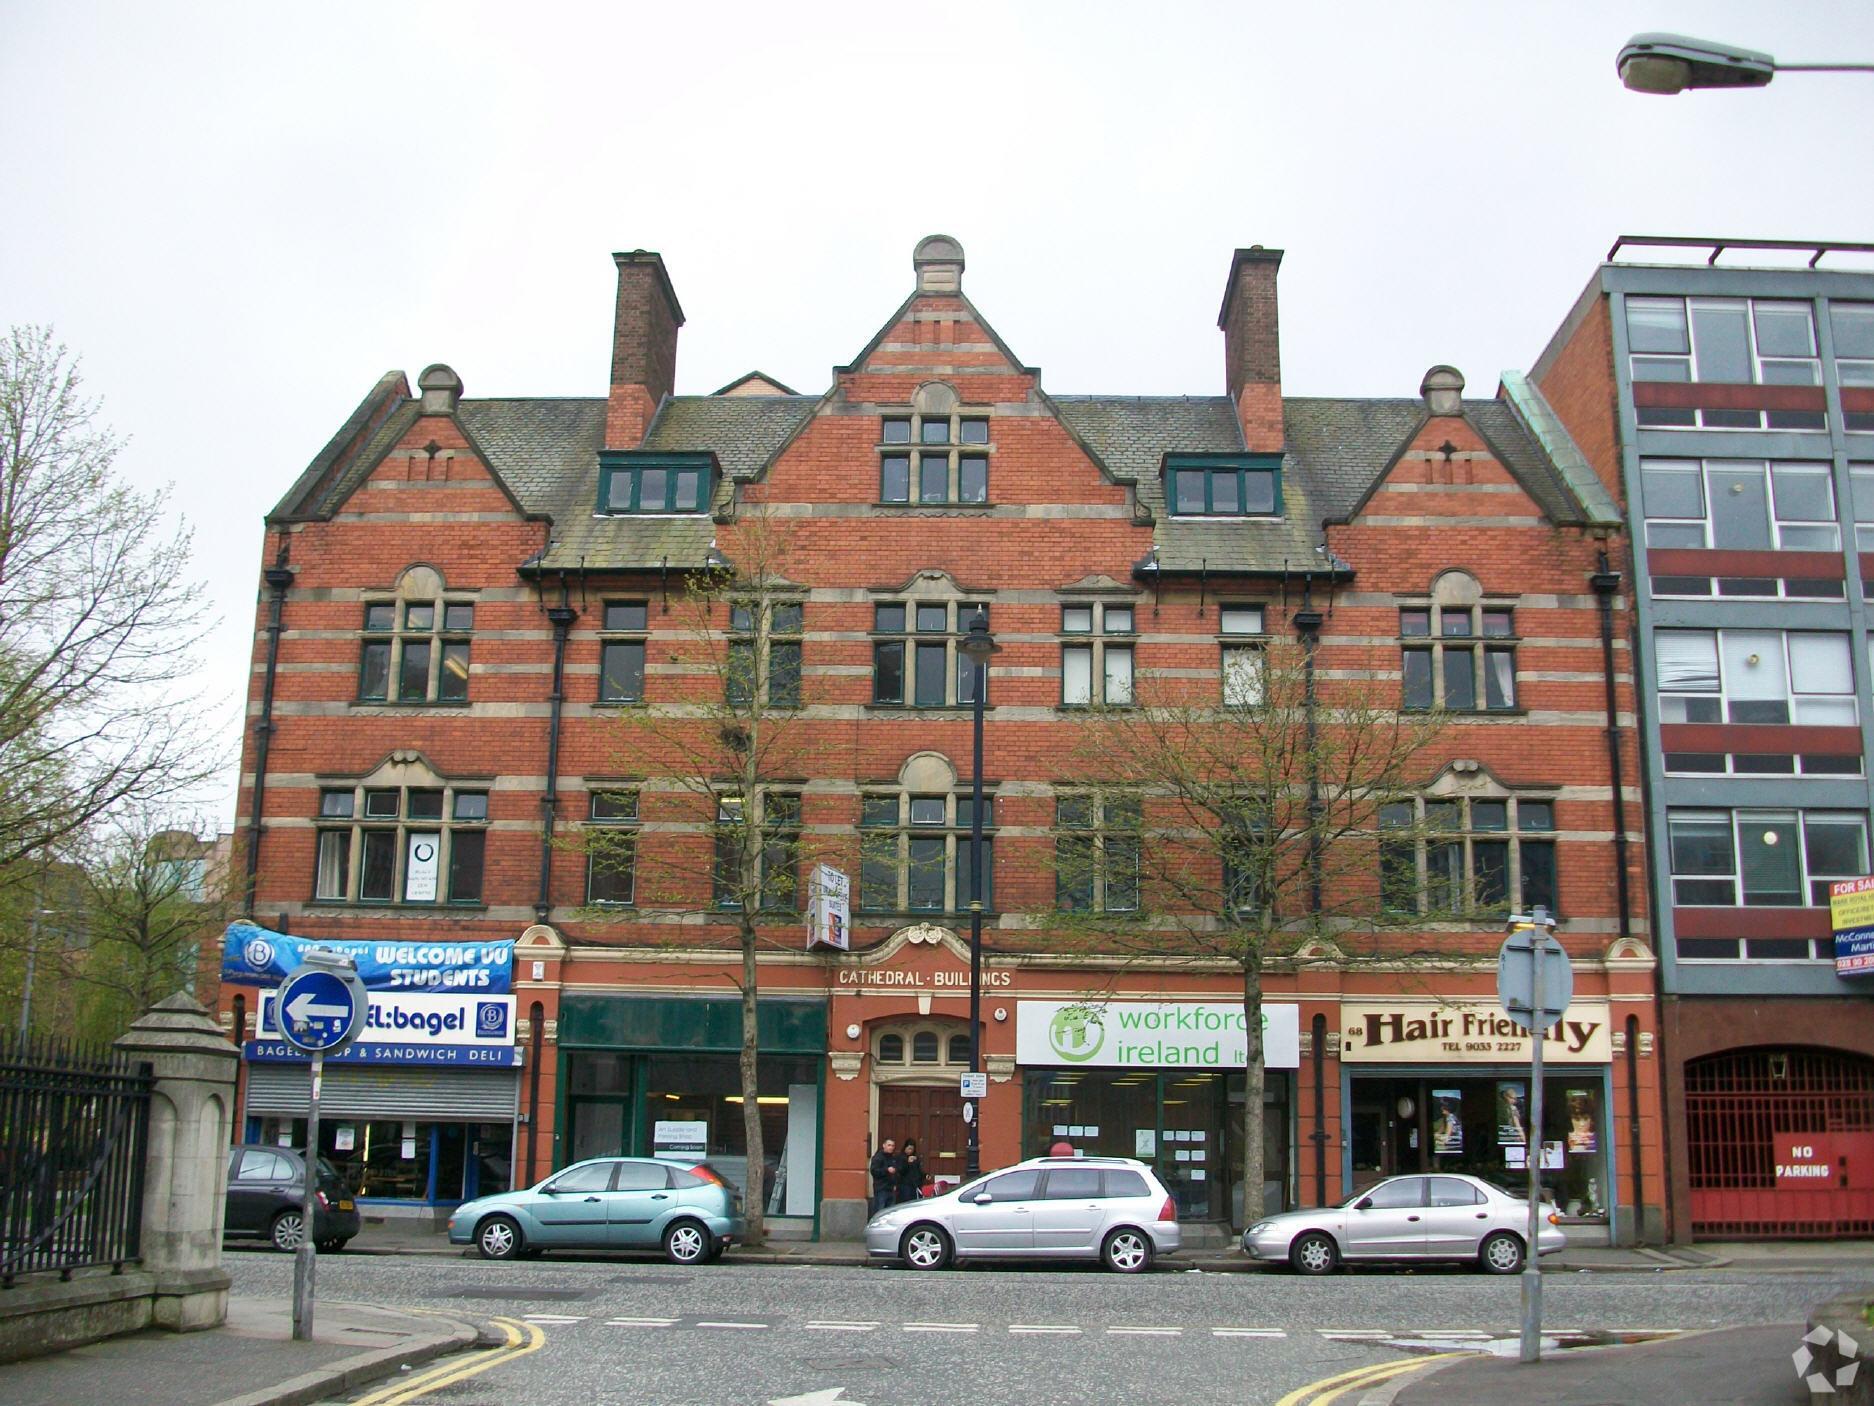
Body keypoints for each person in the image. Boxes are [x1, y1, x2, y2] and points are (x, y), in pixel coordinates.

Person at [868, 1137, 898, 1215]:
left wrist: (895, 1184)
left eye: (893, 1145)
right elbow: (874, 1171)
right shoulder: (878, 1157)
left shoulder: (893, 1158)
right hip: (881, 1189)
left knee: (890, 1212)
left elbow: (896, 1172)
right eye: (889, 1145)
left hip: (891, 1189)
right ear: (884, 1145)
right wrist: (886, 1170)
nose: (891, 1147)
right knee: (880, 1212)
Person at [895, 1138, 924, 1203]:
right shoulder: (900, 1157)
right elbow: (900, 1170)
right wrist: (907, 1162)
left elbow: (918, 1170)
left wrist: (924, 1175)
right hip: (904, 1185)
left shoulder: (915, 1158)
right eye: (909, 1148)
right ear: (905, 1148)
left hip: (914, 1185)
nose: (910, 1151)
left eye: (912, 1149)